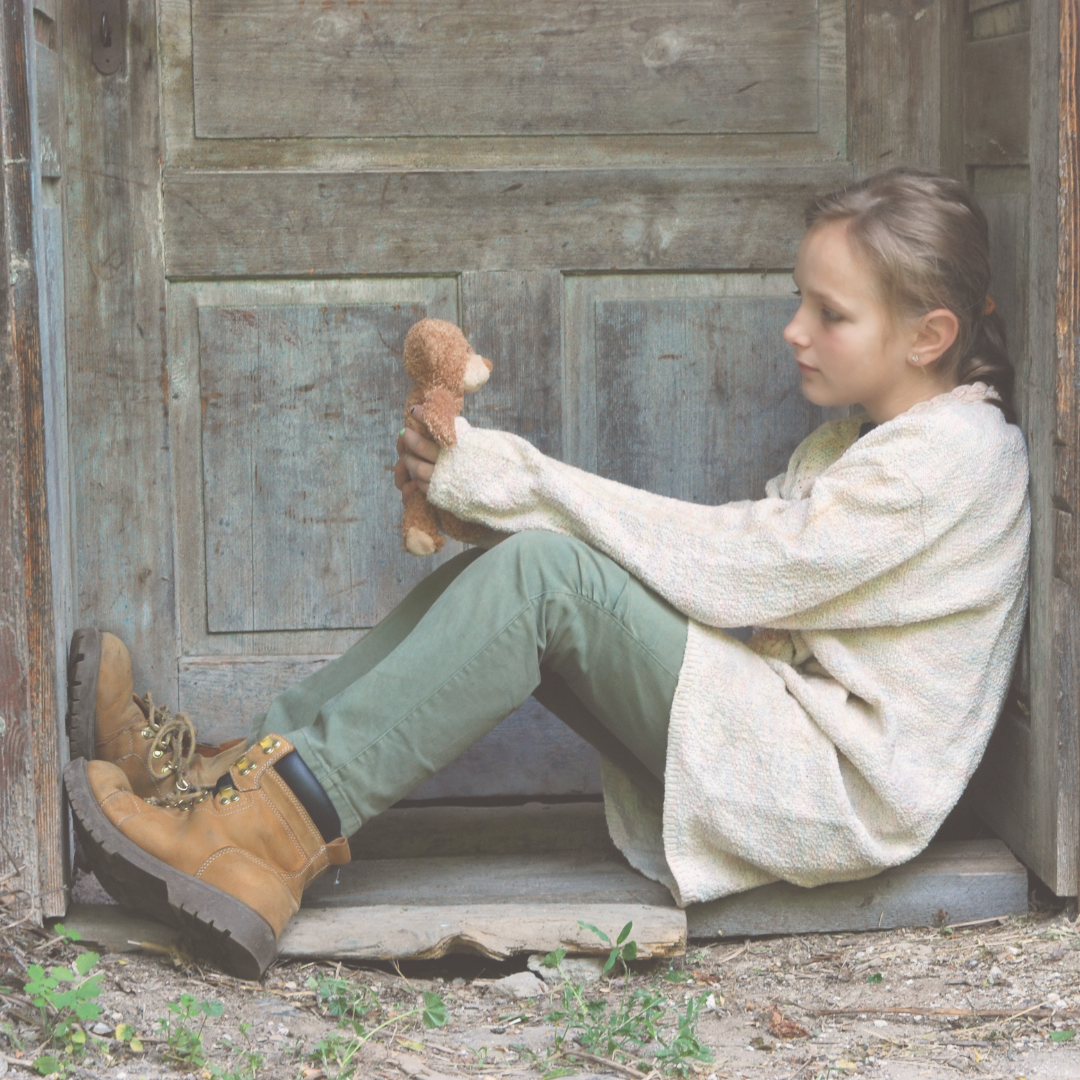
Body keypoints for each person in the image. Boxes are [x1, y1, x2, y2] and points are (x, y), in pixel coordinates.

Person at [66, 168, 1030, 979]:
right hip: (780, 734)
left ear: (928, 336)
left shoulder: (955, 456)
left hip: (828, 789)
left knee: (547, 578)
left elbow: (748, 571)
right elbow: (735, 582)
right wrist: (502, 510)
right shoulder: (866, 440)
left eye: (831, 313)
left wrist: (520, 481)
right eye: (800, 300)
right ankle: (231, 783)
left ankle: (263, 844)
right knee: (535, 568)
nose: (795, 329)